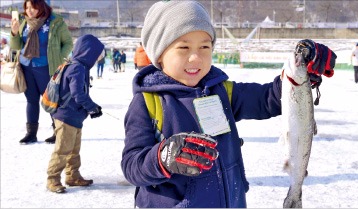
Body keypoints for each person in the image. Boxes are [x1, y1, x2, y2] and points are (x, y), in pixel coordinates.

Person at [121, 1, 336, 208]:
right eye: (183, 47)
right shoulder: (147, 103)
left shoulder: (222, 91)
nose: (196, 57)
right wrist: (162, 157)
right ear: (159, 55)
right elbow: (132, 166)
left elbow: (267, 99)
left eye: (205, 46)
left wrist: (301, 77)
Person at [46, 34, 104, 193]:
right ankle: (53, 179)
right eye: (97, 54)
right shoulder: (77, 68)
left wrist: (92, 108)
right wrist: (92, 107)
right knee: (63, 150)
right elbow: (78, 94)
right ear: (88, 52)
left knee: (73, 149)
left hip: (74, 116)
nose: (98, 57)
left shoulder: (78, 66)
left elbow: (80, 93)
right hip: (66, 116)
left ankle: (73, 176)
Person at [9, 0, 73, 144]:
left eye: (33, 7)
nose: (30, 10)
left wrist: (58, 58)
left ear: (41, 6)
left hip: (46, 67)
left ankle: (58, 133)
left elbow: (68, 43)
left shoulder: (55, 22)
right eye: (27, 7)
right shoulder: (23, 22)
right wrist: (14, 32)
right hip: (26, 66)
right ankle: (31, 134)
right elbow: (16, 45)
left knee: (51, 101)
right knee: (31, 100)